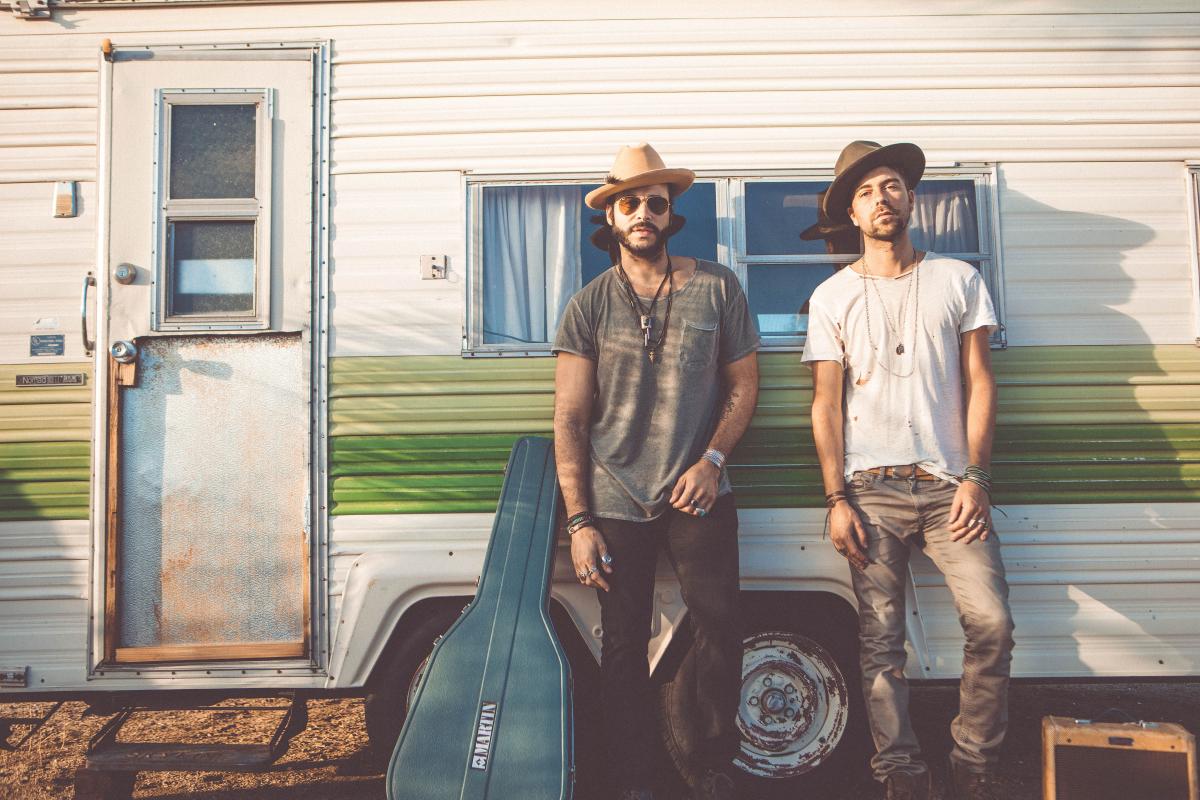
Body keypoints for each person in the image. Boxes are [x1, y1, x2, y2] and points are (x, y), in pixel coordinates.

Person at [802, 141, 1015, 800]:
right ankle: (900, 773)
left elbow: (981, 382)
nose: (881, 199)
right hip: (869, 491)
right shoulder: (832, 296)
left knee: (992, 624)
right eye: (866, 192)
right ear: (852, 214)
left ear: (911, 197)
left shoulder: (957, 279)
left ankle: (973, 763)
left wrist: (977, 477)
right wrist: (836, 498)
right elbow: (825, 404)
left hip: (951, 488)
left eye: (891, 185)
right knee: (880, 643)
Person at [552, 143, 760, 800]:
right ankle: (632, 778)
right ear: (612, 217)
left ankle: (711, 763)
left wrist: (713, 460)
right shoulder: (588, 306)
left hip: (697, 491)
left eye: (655, 202)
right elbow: (570, 419)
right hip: (614, 497)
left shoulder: (717, 287)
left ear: (671, 215)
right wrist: (580, 521)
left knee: (720, 623)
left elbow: (744, 386)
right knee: (622, 643)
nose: (643, 212)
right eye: (629, 203)